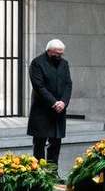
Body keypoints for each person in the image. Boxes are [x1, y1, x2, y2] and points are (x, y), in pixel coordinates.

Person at [27, 39, 72, 181]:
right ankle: (39, 174)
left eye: (61, 54)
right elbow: (39, 87)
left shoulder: (64, 64)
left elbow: (68, 84)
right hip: (42, 109)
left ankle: (52, 174)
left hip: (59, 110)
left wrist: (63, 102)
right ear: (49, 51)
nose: (60, 56)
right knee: (39, 143)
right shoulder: (37, 63)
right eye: (57, 54)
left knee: (56, 143)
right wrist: (54, 102)